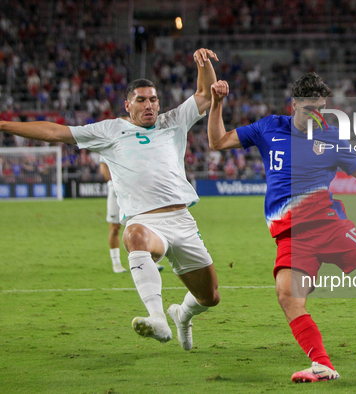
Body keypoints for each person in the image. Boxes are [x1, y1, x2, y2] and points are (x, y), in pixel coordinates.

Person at [207, 73, 356, 383]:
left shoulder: (331, 138)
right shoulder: (268, 128)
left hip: (330, 227)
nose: (316, 115)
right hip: (291, 237)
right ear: (293, 106)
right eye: (309, 109)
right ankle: (322, 364)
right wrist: (217, 103)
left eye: (321, 108)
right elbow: (217, 141)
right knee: (288, 297)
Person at [0, 48, 221, 352]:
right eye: (141, 99)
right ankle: (157, 317)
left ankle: (181, 314)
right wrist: (3, 125)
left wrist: (204, 64)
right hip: (146, 221)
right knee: (133, 234)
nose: (149, 105)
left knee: (210, 297)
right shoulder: (110, 130)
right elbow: (54, 133)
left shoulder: (172, 122)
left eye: (153, 99)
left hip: (182, 220)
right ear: (127, 104)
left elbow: (206, 95)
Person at [99, 156, 165, 273]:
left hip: (135, 190)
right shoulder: (107, 140)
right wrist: (119, 182)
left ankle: (148, 261)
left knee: (142, 225)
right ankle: (116, 264)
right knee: (115, 228)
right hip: (116, 191)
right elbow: (103, 168)